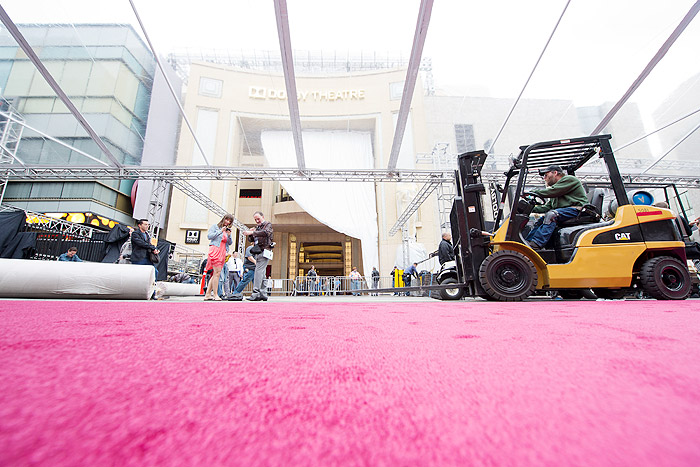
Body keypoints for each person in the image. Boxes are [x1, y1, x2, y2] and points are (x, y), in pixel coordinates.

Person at [525, 165, 588, 249]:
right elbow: (546, 207)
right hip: (566, 212)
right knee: (541, 220)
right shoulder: (557, 190)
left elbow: (551, 191)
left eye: (546, 175)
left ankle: (537, 244)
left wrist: (531, 192)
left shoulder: (569, 179)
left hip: (577, 210)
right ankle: (527, 243)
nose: (545, 178)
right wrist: (528, 209)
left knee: (551, 215)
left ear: (555, 173)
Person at [242, 211, 273, 301]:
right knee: (262, 273)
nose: (257, 221)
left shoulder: (268, 224)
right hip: (259, 251)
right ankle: (263, 293)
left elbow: (266, 233)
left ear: (262, 217)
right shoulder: (258, 228)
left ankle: (256, 292)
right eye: (255, 220)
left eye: (258, 219)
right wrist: (251, 234)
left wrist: (253, 232)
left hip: (264, 250)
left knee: (258, 271)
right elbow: (252, 239)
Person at [203, 214, 234, 301]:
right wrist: (221, 231)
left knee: (215, 273)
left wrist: (229, 235)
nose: (227, 222)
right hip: (215, 249)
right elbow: (210, 236)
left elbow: (230, 242)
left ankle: (208, 294)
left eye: (229, 221)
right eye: (226, 220)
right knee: (217, 273)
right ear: (223, 219)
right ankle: (215, 294)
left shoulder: (226, 230)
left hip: (223, 251)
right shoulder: (215, 227)